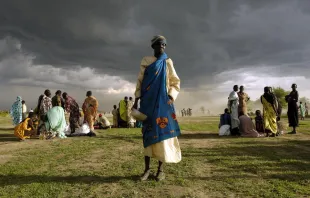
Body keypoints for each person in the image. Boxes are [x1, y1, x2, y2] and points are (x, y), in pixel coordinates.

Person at [133, 35, 181, 181]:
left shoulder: (167, 62)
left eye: (164, 44)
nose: (162, 46)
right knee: (147, 134)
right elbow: (140, 81)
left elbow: (175, 82)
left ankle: (160, 170)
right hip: (147, 103)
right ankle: (147, 169)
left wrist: (171, 97)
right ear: (153, 46)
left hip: (163, 104)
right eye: (159, 44)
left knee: (162, 135)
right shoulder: (146, 61)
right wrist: (136, 101)